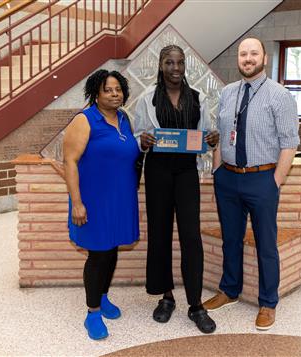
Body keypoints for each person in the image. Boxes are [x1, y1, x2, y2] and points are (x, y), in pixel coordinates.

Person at [203, 38, 300, 331]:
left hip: (262, 179)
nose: (248, 58)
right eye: (243, 54)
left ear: (265, 58)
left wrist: (274, 182)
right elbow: (221, 134)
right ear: (238, 59)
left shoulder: (280, 96)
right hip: (228, 178)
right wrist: (218, 169)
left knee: (266, 244)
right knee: (230, 238)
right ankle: (229, 290)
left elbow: (289, 144)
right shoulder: (228, 92)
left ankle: (268, 302)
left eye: (253, 53)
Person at [133, 44, 219, 334]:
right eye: (169, 63)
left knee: (191, 236)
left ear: (186, 66)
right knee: (159, 233)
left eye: (180, 63)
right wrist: (141, 140)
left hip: (185, 173)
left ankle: (195, 304)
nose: (175, 68)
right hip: (157, 171)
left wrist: (212, 138)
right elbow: (138, 132)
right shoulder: (148, 98)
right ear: (161, 65)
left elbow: (206, 134)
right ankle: (166, 297)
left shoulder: (198, 98)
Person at [63, 69, 140, 340]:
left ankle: (103, 296)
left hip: (120, 200)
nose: (114, 94)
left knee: (112, 250)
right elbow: (69, 162)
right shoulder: (84, 120)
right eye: (108, 89)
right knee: (98, 255)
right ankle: (92, 312)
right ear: (96, 92)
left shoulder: (123, 118)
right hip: (93, 201)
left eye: (118, 89)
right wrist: (77, 203)